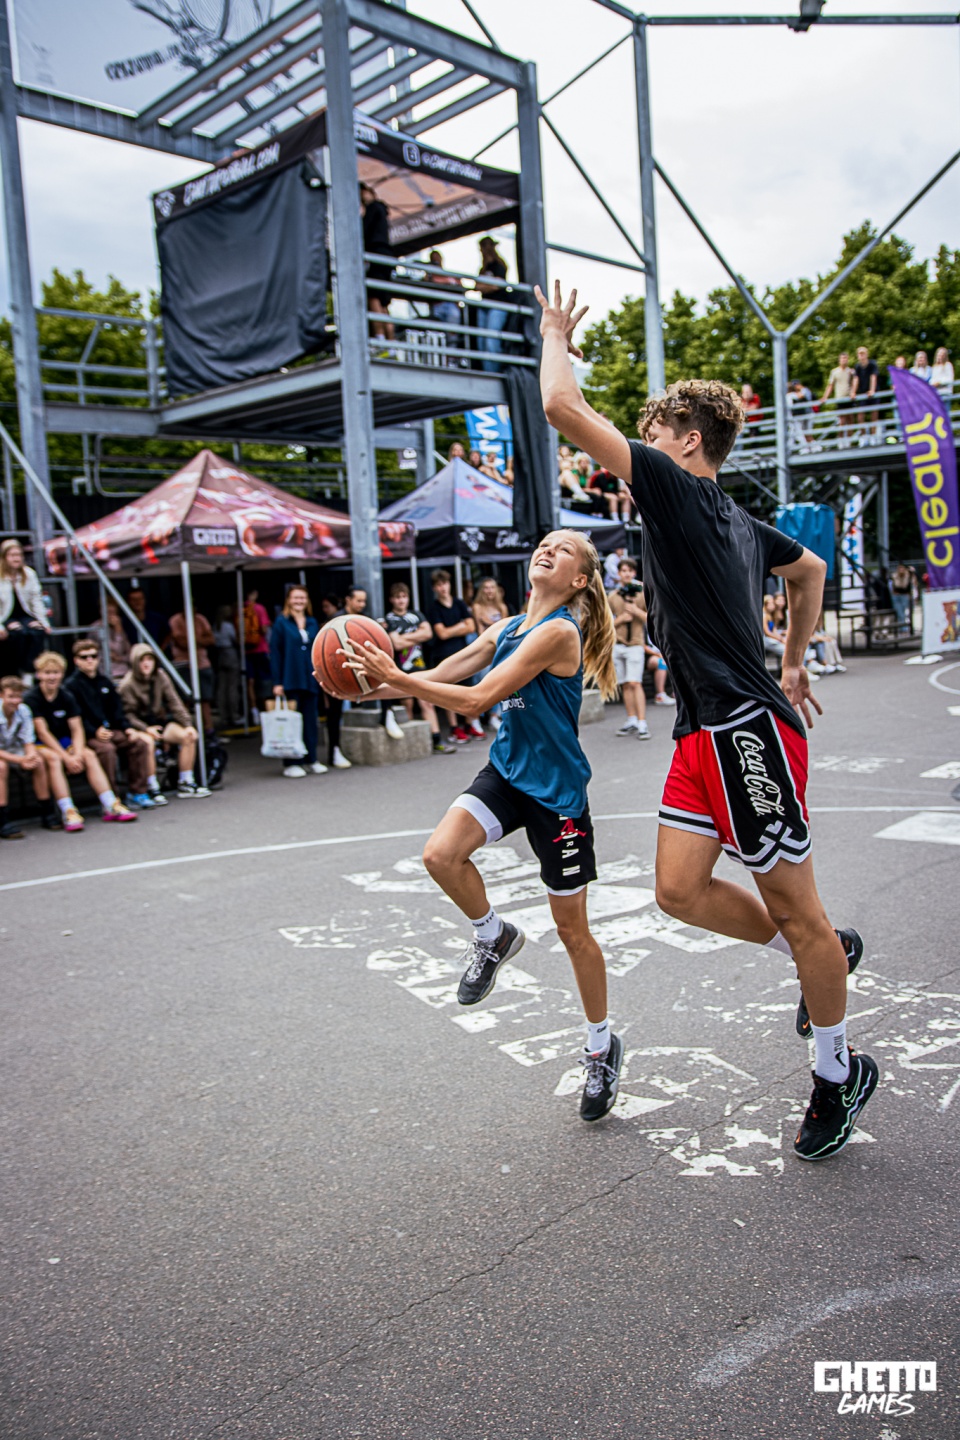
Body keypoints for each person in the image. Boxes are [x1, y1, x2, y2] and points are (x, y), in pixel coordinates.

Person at [536, 279, 877, 1161]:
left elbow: (561, 406)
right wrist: (794, 657)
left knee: (796, 910)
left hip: (745, 731)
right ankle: (822, 952)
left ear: (688, 442)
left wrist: (554, 333)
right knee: (679, 891)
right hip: (704, 732)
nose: (641, 447)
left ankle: (838, 1073)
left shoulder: (681, 492)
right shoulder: (741, 521)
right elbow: (810, 573)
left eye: (652, 434)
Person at [339, 529, 625, 1122]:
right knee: (440, 855)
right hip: (508, 773)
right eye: (545, 542)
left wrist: (396, 678)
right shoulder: (507, 628)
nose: (548, 548)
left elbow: (475, 700)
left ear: (578, 579)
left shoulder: (558, 633)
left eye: (563, 549)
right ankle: (492, 934)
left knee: (573, 932)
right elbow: (447, 671)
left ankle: (601, 1047)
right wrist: (367, 684)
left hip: (556, 795)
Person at [26, 650, 135, 829]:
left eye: (55, 672)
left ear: (62, 674)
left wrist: (76, 754)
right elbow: (43, 733)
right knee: (54, 760)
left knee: (89, 755)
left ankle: (111, 804)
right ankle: (68, 811)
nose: (52, 677)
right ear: (39, 675)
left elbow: (76, 729)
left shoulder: (66, 696)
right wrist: (67, 758)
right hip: (41, 745)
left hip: (65, 741)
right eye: (47, 673)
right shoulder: (32, 698)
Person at [64, 638, 155, 810]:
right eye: (84, 657)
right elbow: (76, 718)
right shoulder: (71, 686)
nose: (90, 660)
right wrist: (94, 731)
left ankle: (138, 792)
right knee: (107, 750)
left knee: (139, 743)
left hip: (111, 730)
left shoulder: (105, 682)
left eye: (93, 656)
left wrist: (127, 728)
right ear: (76, 660)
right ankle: (112, 798)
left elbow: (117, 710)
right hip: (87, 735)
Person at [119, 643, 211, 798]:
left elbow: (174, 702)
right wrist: (145, 728)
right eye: (142, 660)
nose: (146, 664)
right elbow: (127, 715)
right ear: (135, 662)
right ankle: (152, 786)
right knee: (148, 743)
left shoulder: (160, 676)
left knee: (189, 735)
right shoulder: (127, 685)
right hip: (138, 726)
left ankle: (186, 781)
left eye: (149, 659)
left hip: (159, 721)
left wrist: (187, 724)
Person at [383, 582, 453, 754]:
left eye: (404, 597)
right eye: (397, 597)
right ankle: (411, 744)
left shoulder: (416, 615)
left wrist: (405, 637)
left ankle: (437, 739)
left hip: (419, 665)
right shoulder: (389, 619)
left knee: (427, 702)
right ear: (391, 599)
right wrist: (416, 636)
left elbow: (428, 633)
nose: (401, 601)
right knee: (407, 703)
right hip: (401, 667)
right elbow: (397, 644)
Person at [0, 674, 70, 836]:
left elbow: (28, 740)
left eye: (18, 697)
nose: (15, 701)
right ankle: (2, 820)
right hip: (4, 753)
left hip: (15, 749)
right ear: (1, 695)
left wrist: (30, 756)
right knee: (1, 767)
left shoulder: (24, 710)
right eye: (11, 697)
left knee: (38, 761)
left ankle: (46, 812)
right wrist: (20, 760)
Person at [269, 585, 326, 778]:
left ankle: (311, 759)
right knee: (291, 722)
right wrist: (277, 682)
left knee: (310, 721)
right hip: (290, 678)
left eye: (302, 597)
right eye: (295, 597)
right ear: (288, 600)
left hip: (310, 678)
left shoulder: (312, 621)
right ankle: (292, 762)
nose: (299, 601)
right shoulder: (281, 623)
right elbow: (276, 653)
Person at [426, 569, 477, 743]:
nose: (443, 588)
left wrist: (452, 630)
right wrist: (460, 626)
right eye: (439, 585)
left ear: (449, 584)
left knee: (468, 687)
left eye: (445, 583)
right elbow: (442, 634)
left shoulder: (459, 604)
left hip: (462, 652)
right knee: (449, 691)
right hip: (444, 654)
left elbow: (471, 627)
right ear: (434, 588)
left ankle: (468, 724)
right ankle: (454, 727)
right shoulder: (434, 608)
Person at [609, 556, 650, 739]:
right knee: (625, 684)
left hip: (635, 644)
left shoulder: (642, 592)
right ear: (618, 573)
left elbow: (652, 618)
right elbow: (606, 625)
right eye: (623, 571)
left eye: (629, 571)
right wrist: (620, 619)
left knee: (635, 682)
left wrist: (636, 612)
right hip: (618, 644)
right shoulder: (613, 596)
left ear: (634, 573)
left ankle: (642, 722)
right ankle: (631, 719)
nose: (626, 574)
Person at [0, 538, 50, 678]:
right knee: (17, 634)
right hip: (4, 616)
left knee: (37, 631)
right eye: (12, 555)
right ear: (4, 557)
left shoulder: (29, 574)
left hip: (25, 614)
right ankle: (14, 673)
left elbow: (36, 599)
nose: (17, 558)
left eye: (19, 555)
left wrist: (44, 622)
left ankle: (30, 672)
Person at [168, 606, 215, 733]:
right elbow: (182, 643)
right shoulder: (175, 621)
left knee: (205, 699)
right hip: (183, 664)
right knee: (184, 700)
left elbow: (211, 640)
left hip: (202, 663)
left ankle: (209, 730)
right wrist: (200, 639)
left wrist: (192, 640)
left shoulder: (201, 619)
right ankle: (185, 730)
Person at [471, 576, 509, 731]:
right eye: (486, 588)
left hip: (499, 647)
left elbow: (505, 629)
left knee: (500, 682)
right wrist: (493, 626)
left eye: (492, 587)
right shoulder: (477, 606)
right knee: (480, 679)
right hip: (483, 648)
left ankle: (494, 715)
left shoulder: (502, 607)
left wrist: (489, 623)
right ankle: (477, 717)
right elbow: (480, 631)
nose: (489, 591)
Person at [360, 182, 395, 345]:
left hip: (376, 255)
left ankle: (380, 339)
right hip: (385, 256)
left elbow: (362, 231)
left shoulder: (373, 209)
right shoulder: (381, 211)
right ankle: (391, 343)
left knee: (374, 297)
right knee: (383, 302)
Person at [475, 236, 508, 372]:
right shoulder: (483, 269)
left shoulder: (499, 265)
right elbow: (477, 286)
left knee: (491, 340)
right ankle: (486, 371)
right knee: (481, 342)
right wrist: (487, 286)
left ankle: (493, 372)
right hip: (484, 306)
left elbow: (497, 286)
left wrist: (485, 286)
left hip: (497, 305)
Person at [243, 589, 272, 722]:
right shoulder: (259, 608)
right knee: (264, 681)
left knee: (250, 682)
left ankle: (253, 709)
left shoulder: (240, 609)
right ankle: (266, 710)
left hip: (246, 651)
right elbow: (264, 629)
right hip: (261, 649)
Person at [212, 604, 242, 728]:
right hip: (230, 653)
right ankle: (234, 715)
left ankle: (223, 716)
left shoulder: (216, 625)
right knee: (232, 687)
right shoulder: (228, 626)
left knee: (222, 687)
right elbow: (235, 639)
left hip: (220, 654)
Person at [90, 597, 132, 680]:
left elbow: (129, 652)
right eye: (108, 612)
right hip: (106, 670)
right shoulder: (96, 628)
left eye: (113, 612)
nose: (111, 616)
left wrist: (120, 658)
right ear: (101, 612)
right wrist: (118, 631)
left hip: (124, 670)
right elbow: (116, 649)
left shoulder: (120, 626)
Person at [428, 249, 463, 333]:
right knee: (436, 330)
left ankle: (453, 341)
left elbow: (460, 285)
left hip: (451, 304)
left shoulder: (450, 274)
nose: (436, 260)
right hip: (436, 305)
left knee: (454, 316)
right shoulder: (430, 275)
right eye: (433, 259)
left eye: (437, 257)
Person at [822, 351, 854, 440]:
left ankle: (849, 441)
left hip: (849, 398)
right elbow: (830, 385)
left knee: (850, 420)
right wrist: (825, 397)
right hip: (840, 399)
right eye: (842, 358)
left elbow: (854, 383)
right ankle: (841, 440)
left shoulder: (850, 371)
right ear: (839, 360)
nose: (844, 360)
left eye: (846, 358)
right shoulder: (835, 372)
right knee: (841, 421)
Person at [850, 345, 879, 442]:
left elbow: (873, 377)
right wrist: (853, 392)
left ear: (867, 354)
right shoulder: (857, 366)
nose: (861, 356)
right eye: (859, 354)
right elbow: (856, 379)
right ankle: (863, 436)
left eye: (863, 354)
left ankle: (873, 436)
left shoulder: (872, 364)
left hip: (872, 392)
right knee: (860, 415)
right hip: (862, 392)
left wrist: (872, 390)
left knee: (874, 414)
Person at [890, 561, 917, 633]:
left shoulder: (908, 576)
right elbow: (895, 585)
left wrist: (912, 573)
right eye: (899, 568)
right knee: (899, 613)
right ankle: (902, 628)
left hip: (905, 595)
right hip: (897, 595)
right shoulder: (894, 576)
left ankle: (904, 628)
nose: (901, 570)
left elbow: (911, 584)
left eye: (902, 568)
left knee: (905, 612)